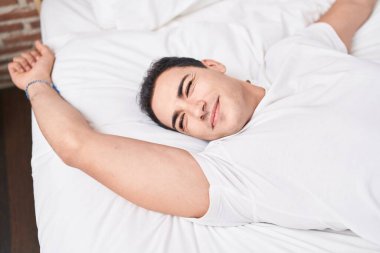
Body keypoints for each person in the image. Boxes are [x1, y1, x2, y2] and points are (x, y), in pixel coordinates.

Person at [8, 0, 380, 245]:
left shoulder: (293, 54)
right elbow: (77, 146)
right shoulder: (233, 172)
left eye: (189, 88)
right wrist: (38, 85)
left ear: (213, 65)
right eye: (182, 122)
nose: (196, 110)